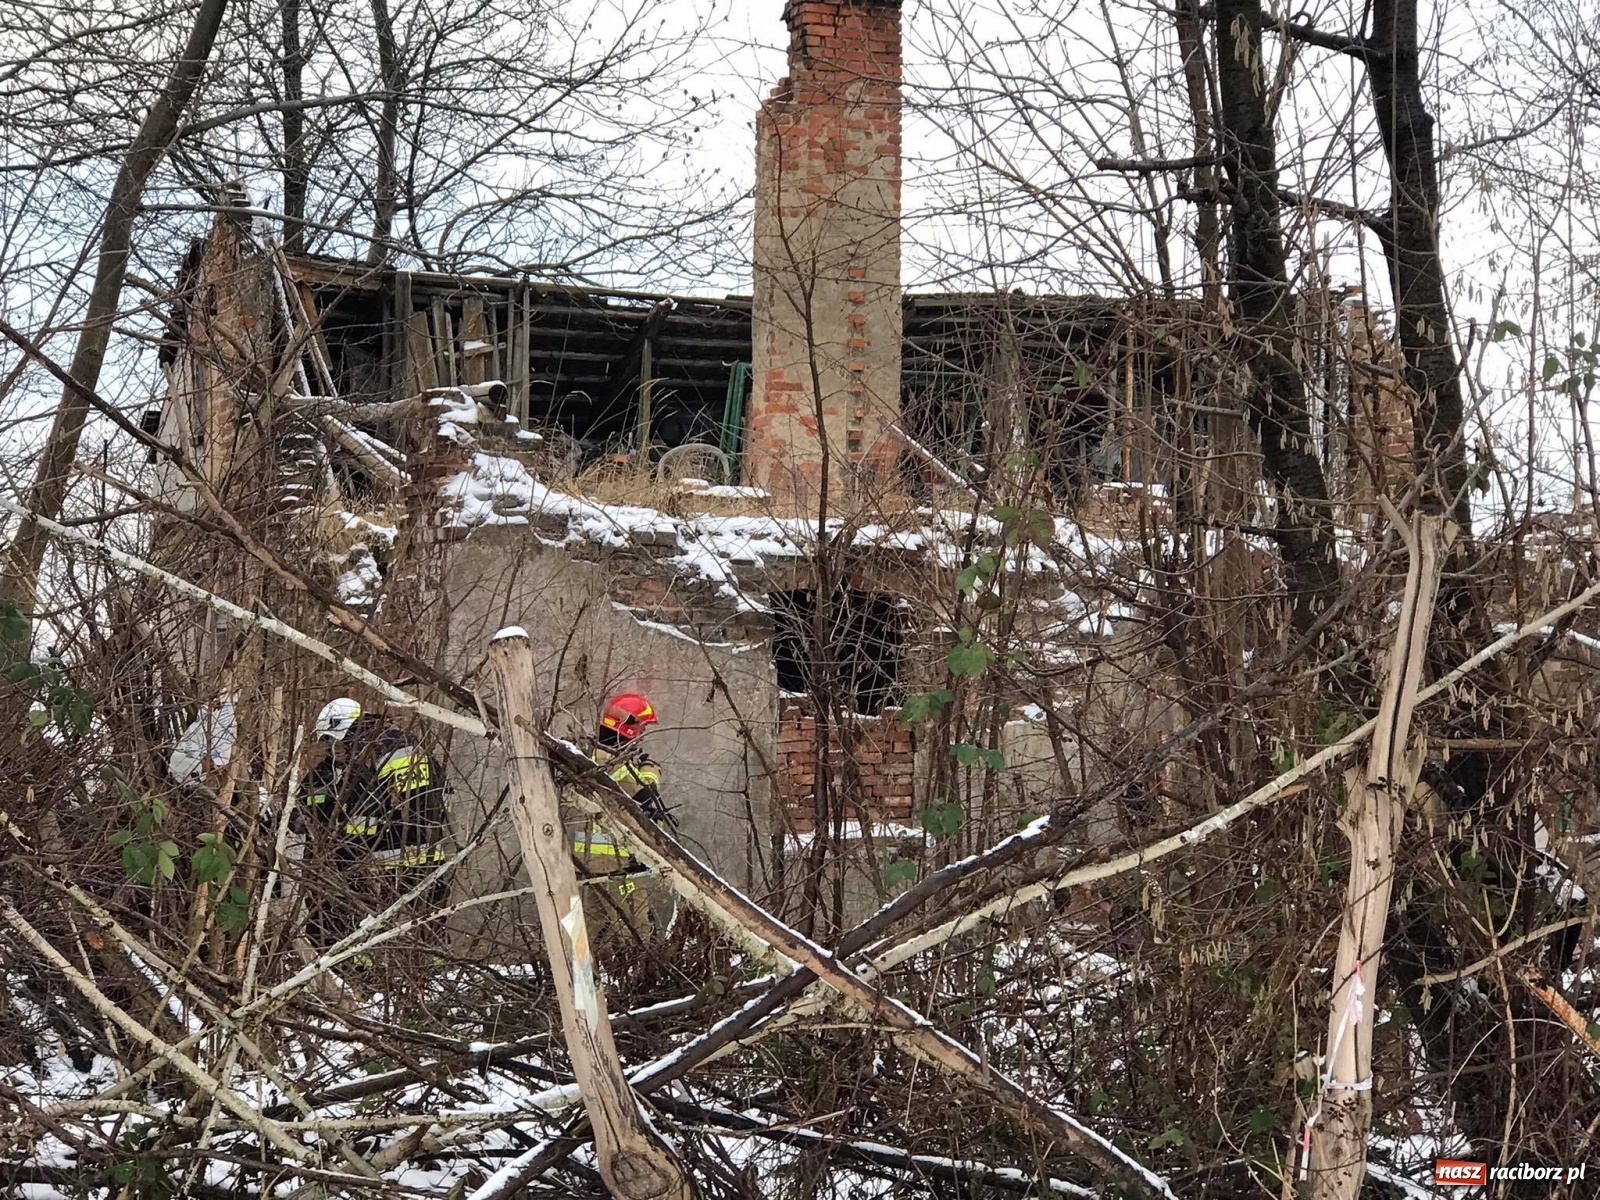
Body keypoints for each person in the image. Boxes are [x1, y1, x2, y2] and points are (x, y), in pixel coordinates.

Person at [302, 698, 450, 945]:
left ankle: (419, 980)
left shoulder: (389, 754)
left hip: (407, 864)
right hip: (390, 864)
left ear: (355, 731)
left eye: (336, 740)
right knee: (415, 939)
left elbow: (412, 818)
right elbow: (309, 798)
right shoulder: (359, 759)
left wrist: (342, 850)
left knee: (410, 941)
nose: (333, 748)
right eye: (328, 742)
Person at [573, 691, 673, 948]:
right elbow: (643, 794)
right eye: (639, 727)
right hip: (616, 863)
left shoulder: (592, 755)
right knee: (636, 928)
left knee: (591, 928)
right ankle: (639, 978)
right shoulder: (612, 764)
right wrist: (651, 769)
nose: (641, 734)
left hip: (589, 863)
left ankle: (583, 979)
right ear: (625, 727)